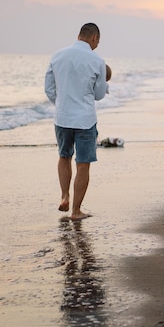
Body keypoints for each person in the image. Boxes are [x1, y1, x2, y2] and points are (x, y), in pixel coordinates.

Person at [45, 22, 109, 220]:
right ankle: (76, 211)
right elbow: (98, 95)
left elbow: (49, 89)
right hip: (85, 120)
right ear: (94, 38)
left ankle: (64, 196)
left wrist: (63, 104)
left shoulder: (58, 55)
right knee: (83, 164)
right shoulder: (97, 60)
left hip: (62, 117)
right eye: (98, 41)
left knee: (64, 156)